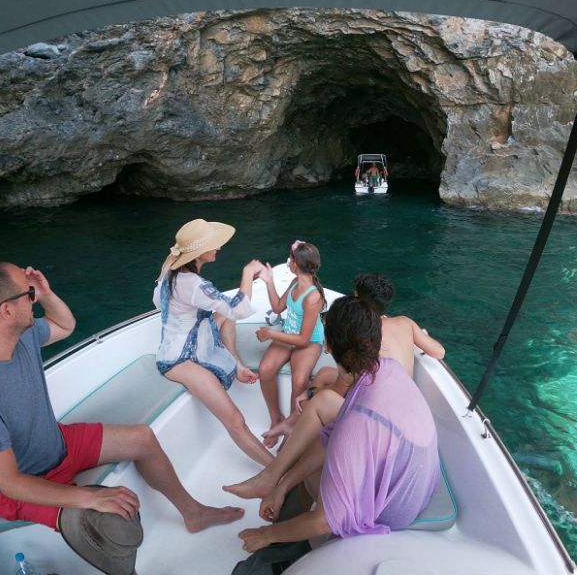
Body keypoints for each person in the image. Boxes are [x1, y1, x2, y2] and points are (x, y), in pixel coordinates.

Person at [0, 262, 242, 545]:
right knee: (106, 525)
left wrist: (45, 294)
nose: (33, 300)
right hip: (20, 486)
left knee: (143, 438)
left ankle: (194, 513)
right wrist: (88, 497)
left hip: (55, 445)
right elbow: (9, 482)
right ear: (6, 310)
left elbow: (65, 324)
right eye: (29, 293)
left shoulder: (22, 335)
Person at [236, 295, 439, 553]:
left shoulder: (356, 423)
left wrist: (266, 535)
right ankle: (273, 478)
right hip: (415, 481)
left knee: (310, 471)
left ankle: (285, 535)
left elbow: (325, 521)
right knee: (323, 402)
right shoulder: (387, 368)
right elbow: (336, 432)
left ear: (328, 346)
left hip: (395, 510)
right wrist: (283, 483)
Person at [154, 219, 274, 466]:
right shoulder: (195, 285)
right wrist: (248, 273)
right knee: (235, 420)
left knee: (225, 318)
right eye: (214, 244)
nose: (219, 247)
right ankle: (277, 471)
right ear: (200, 253)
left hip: (185, 341)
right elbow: (240, 309)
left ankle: (237, 364)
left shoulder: (170, 273)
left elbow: (160, 302)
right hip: (179, 360)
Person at [254, 240, 326, 447]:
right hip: (289, 335)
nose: (288, 261)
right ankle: (277, 418)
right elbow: (277, 307)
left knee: (299, 380)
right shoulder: (295, 283)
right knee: (265, 368)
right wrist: (268, 282)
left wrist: (270, 334)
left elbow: (304, 339)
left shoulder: (313, 297)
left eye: (290, 258)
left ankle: (292, 428)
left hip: (309, 341)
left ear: (295, 264)